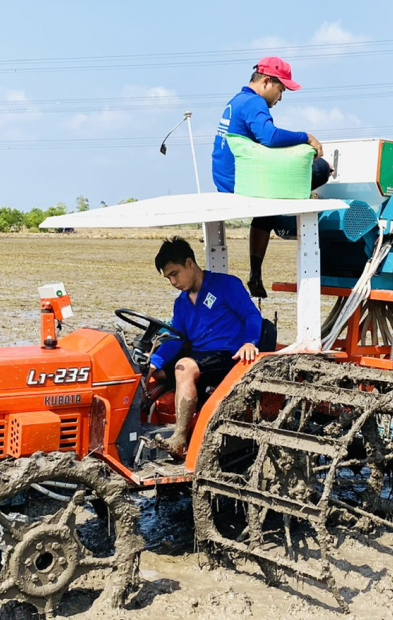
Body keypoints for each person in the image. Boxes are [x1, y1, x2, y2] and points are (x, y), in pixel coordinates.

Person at [212, 56, 325, 299]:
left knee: (268, 210)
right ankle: (297, 219)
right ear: (266, 81)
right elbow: (270, 137)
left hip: (225, 177)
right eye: (281, 89)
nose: (280, 97)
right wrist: (306, 137)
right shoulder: (254, 103)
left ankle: (256, 271)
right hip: (239, 180)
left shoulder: (237, 101)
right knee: (320, 170)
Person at [149, 236, 262, 456]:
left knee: (184, 366)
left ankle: (179, 439)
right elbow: (178, 337)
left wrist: (250, 342)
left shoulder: (226, 285)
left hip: (228, 356)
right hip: (200, 356)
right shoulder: (181, 302)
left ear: (190, 263)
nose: (173, 282)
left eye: (175, 274)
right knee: (154, 372)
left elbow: (252, 315)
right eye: (168, 278)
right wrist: (153, 363)